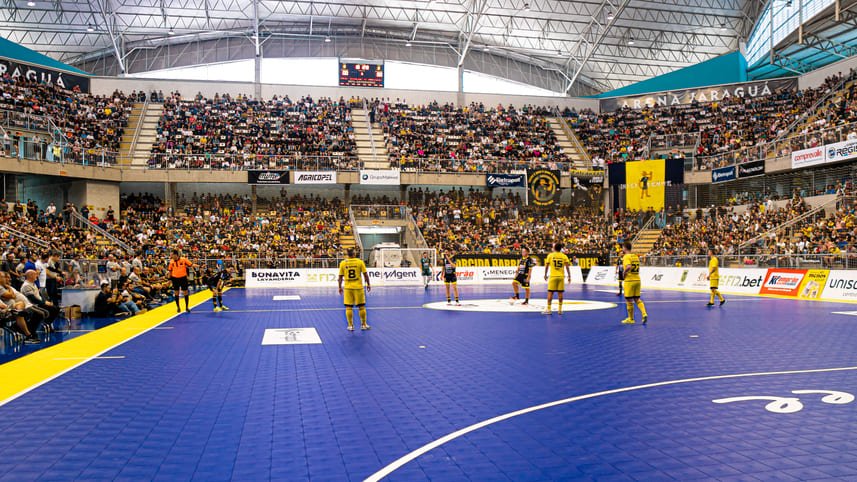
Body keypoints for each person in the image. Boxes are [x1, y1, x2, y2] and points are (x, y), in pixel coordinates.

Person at [338, 248, 371, 331]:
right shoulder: (360, 262)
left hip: (348, 288)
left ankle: (350, 326)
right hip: (358, 287)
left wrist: (339, 287)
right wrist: (368, 284)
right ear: (354, 253)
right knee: (361, 307)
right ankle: (363, 324)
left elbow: (340, 277)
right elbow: (365, 275)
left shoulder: (343, 263)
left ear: (348, 254)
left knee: (348, 307)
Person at [620, 241, 648, 325]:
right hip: (637, 280)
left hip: (629, 280)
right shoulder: (635, 256)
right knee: (637, 299)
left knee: (629, 300)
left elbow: (628, 266)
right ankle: (644, 313)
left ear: (625, 248)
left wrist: (624, 273)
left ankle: (631, 319)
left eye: (622, 247)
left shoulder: (626, 257)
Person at [543, 243, 571, 315]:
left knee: (550, 293)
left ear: (554, 248)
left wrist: (545, 274)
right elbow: (567, 267)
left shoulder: (550, 255)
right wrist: (569, 276)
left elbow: (547, 266)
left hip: (553, 276)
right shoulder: (564, 256)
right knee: (560, 293)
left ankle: (549, 309)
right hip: (561, 277)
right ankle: (560, 310)